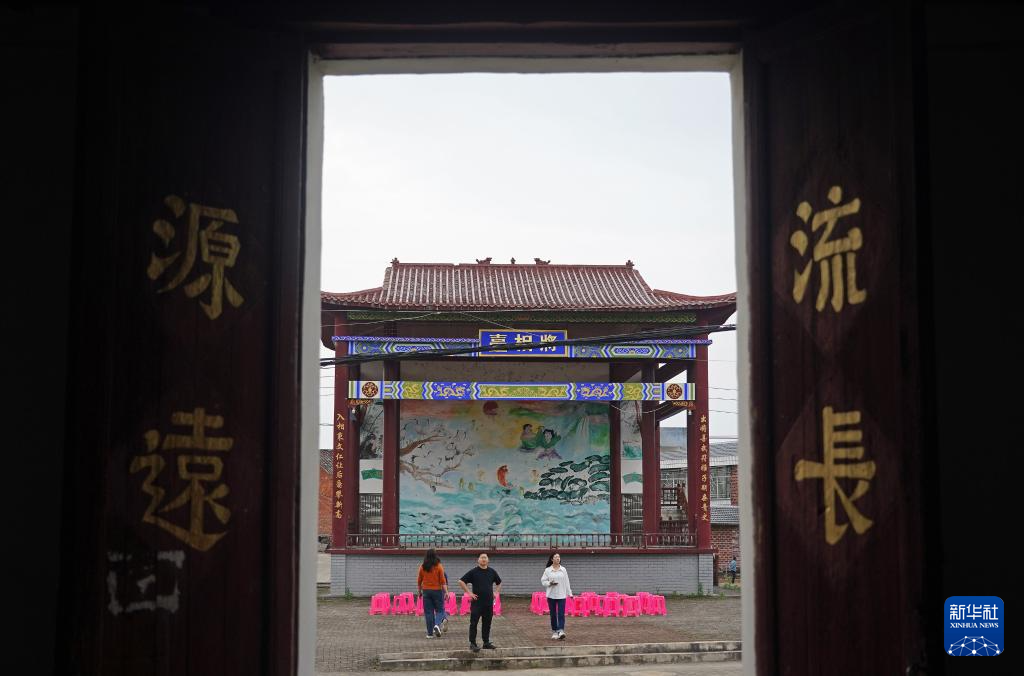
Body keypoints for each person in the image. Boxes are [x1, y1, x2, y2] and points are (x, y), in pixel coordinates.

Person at [459, 552, 502, 652]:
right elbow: (461, 581)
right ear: (478, 560)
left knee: (487, 623)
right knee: (474, 623)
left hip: (488, 602)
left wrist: (496, 592)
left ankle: (486, 642)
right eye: (481, 557)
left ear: (488, 560)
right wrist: (469, 593)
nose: (483, 559)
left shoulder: (492, 572)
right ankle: (472, 643)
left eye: (485, 557)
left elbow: (499, 582)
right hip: (477, 602)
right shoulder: (474, 572)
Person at [417, 548, 449, 639]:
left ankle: (430, 634)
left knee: (428, 613)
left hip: (426, 591)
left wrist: (419, 591)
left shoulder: (422, 566)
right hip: (437, 591)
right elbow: (443, 581)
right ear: (435, 555)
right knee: (440, 610)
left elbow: (419, 580)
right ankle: (437, 624)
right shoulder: (439, 566)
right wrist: (446, 592)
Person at [540, 553, 573, 640]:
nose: (558, 558)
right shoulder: (547, 570)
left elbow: (567, 582)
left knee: (561, 613)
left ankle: (561, 630)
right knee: (553, 614)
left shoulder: (563, 569)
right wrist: (549, 583)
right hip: (551, 595)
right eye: (556, 557)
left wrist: (570, 593)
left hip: (562, 595)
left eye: (559, 557)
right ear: (552, 559)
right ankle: (554, 631)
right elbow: (543, 581)